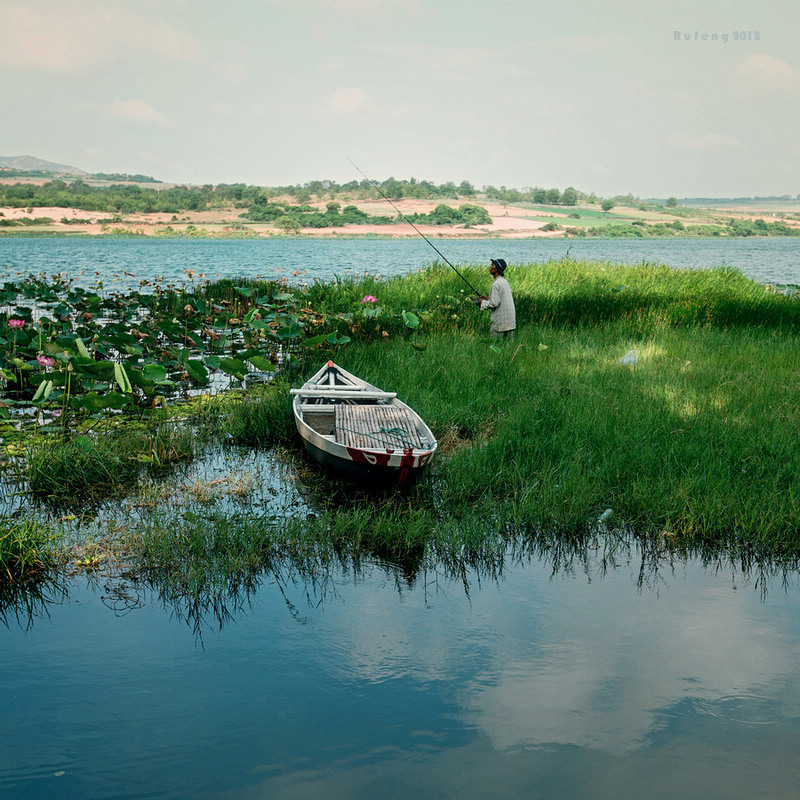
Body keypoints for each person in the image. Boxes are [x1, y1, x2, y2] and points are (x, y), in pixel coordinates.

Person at [477, 258, 516, 337]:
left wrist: (482, 302)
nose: (490, 267)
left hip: (500, 323)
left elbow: (494, 303)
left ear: (497, 269)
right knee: (508, 347)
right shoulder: (504, 282)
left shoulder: (496, 284)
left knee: (495, 344)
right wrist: (487, 298)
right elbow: (499, 299)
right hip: (509, 321)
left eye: (492, 265)